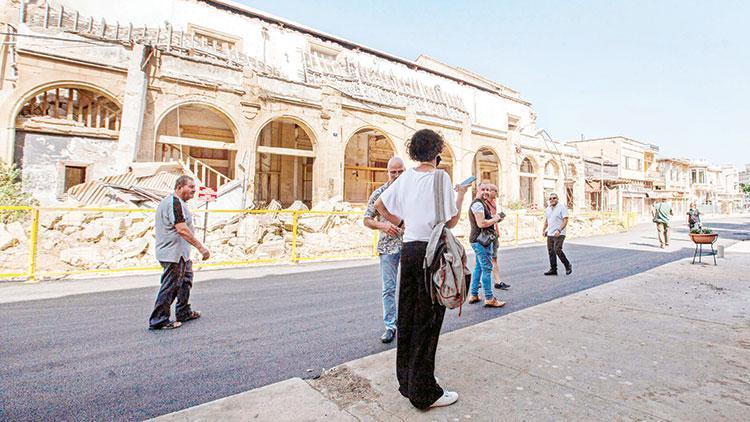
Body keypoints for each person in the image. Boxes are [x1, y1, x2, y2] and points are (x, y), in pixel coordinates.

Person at [374, 129, 467, 409]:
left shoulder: (405, 178)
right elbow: (449, 222)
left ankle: (408, 381)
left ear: (414, 152)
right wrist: (459, 197)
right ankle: (425, 392)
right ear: (437, 152)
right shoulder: (441, 177)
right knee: (428, 321)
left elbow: (379, 205)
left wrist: (402, 224)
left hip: (409, 251)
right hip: (432, 252)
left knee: (408, 317)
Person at [148, 175, 210, 330]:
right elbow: (182, 229)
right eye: (190, 187)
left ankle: (183, 312)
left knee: (185, 281)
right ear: (180, 187)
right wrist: (201, 247)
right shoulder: (173, 203)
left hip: (181, 253)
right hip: (172, 253)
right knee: (171, 286)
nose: (193, 191)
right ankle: (159, 320)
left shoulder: (179, 203)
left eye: (194, 188)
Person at [364, 156, 406, 343]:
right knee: (388, 288)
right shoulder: (379, 193)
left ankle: (407, 324)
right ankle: (390, 326)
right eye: (393, 172)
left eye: (400, 171)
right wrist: (383, 226)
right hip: (388, 247)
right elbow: (367, 219)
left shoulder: (410, 193)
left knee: (409, 287)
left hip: (409, 245)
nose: (396, 175)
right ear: (388, 172)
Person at [467, 183, 506, 307]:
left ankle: (473, 294)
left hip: (478, 240)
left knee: (479, 267)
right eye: (483, 189)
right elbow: (482, 223)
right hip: (480, 241)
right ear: (477, 190)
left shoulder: (481, 203)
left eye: (487, 190)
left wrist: (495, 218)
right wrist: (496, 218)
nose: (486, 192)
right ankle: (489, 298)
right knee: (487, 268)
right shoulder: (478, 204)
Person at [484, 183, 510, 290]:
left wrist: (498, 219)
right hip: (486, 236)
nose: (496, 193)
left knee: (494, 258)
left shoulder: (494, 203)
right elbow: (485, 221)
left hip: (493, 234)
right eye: (494, 190)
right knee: (484, 260)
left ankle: (498, 281)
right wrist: (495, 218)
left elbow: (493, 220)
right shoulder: (484, 204)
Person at [542, 193, 572, 276]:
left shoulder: (562, 208)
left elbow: (565, 220)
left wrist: (559, 230)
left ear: (557, 199)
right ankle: (553, 269)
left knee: (557, 249)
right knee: (551, 251)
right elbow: (547, 220)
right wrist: (544, 229)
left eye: (554, 198)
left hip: (560, 233)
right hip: (550, 233)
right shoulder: (548, 209)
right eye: (550, 198)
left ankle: (567, 265)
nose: (552, 200)